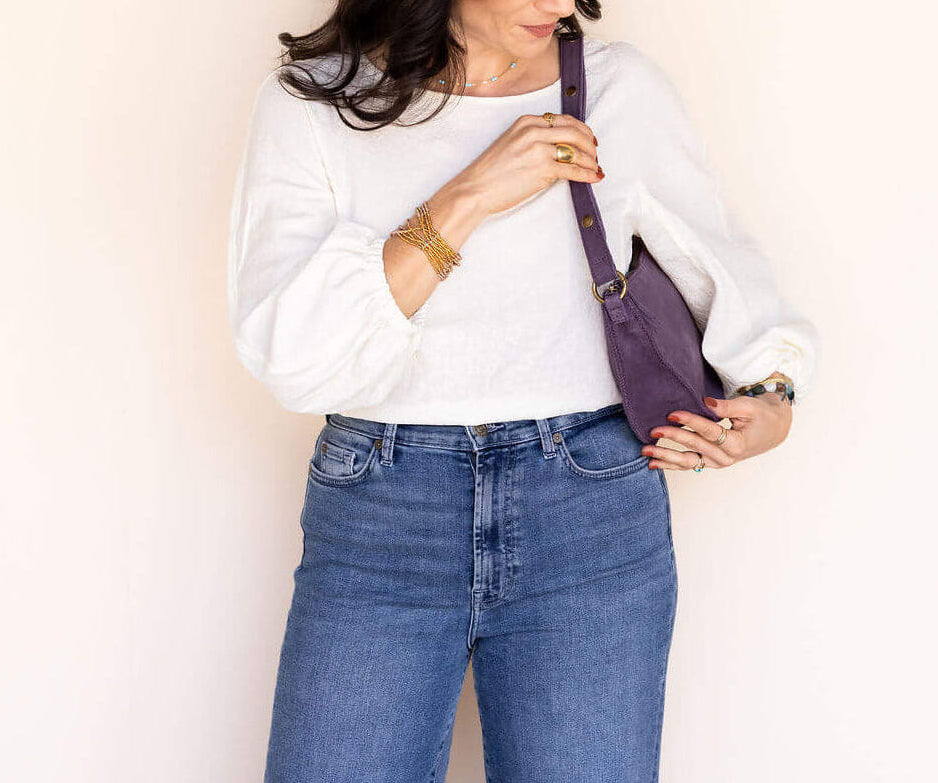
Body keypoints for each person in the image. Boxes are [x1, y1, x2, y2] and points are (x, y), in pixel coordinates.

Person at [226, 2, 820, 781]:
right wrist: (467, 196)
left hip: (589, 509)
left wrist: (773, 398)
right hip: (381, 513)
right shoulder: (315, 102)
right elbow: (293, 357)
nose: (562, 5)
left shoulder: (617, 89)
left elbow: (728, 277)